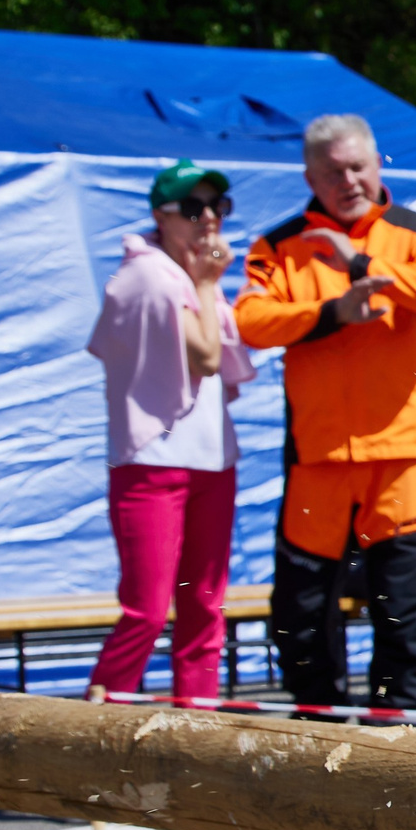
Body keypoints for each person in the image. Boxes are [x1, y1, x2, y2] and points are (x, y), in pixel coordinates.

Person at [235, 115, 416, 707]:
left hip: (405, 456)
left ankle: (400, 737)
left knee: (404, 612)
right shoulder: (279, 245)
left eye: (358, 167)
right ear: (311, 175)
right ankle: (317, 731)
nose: (349, 180)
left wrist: (366, 267)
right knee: (301, 609)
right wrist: (333, 312)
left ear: (378, 164)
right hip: (320, 457)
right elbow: (251, 322)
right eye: (334, 171)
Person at [83, 160, 256, 704]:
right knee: (148, 609)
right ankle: (95, 733)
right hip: (152, 461)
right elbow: (206, 357)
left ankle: (196, 730)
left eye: (217, 207)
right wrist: (208, 284)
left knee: (204, 605)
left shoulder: (185, 275)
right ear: (162, 215)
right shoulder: (146, 274)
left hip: (211, 461)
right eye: (193, 208)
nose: (209, 218)